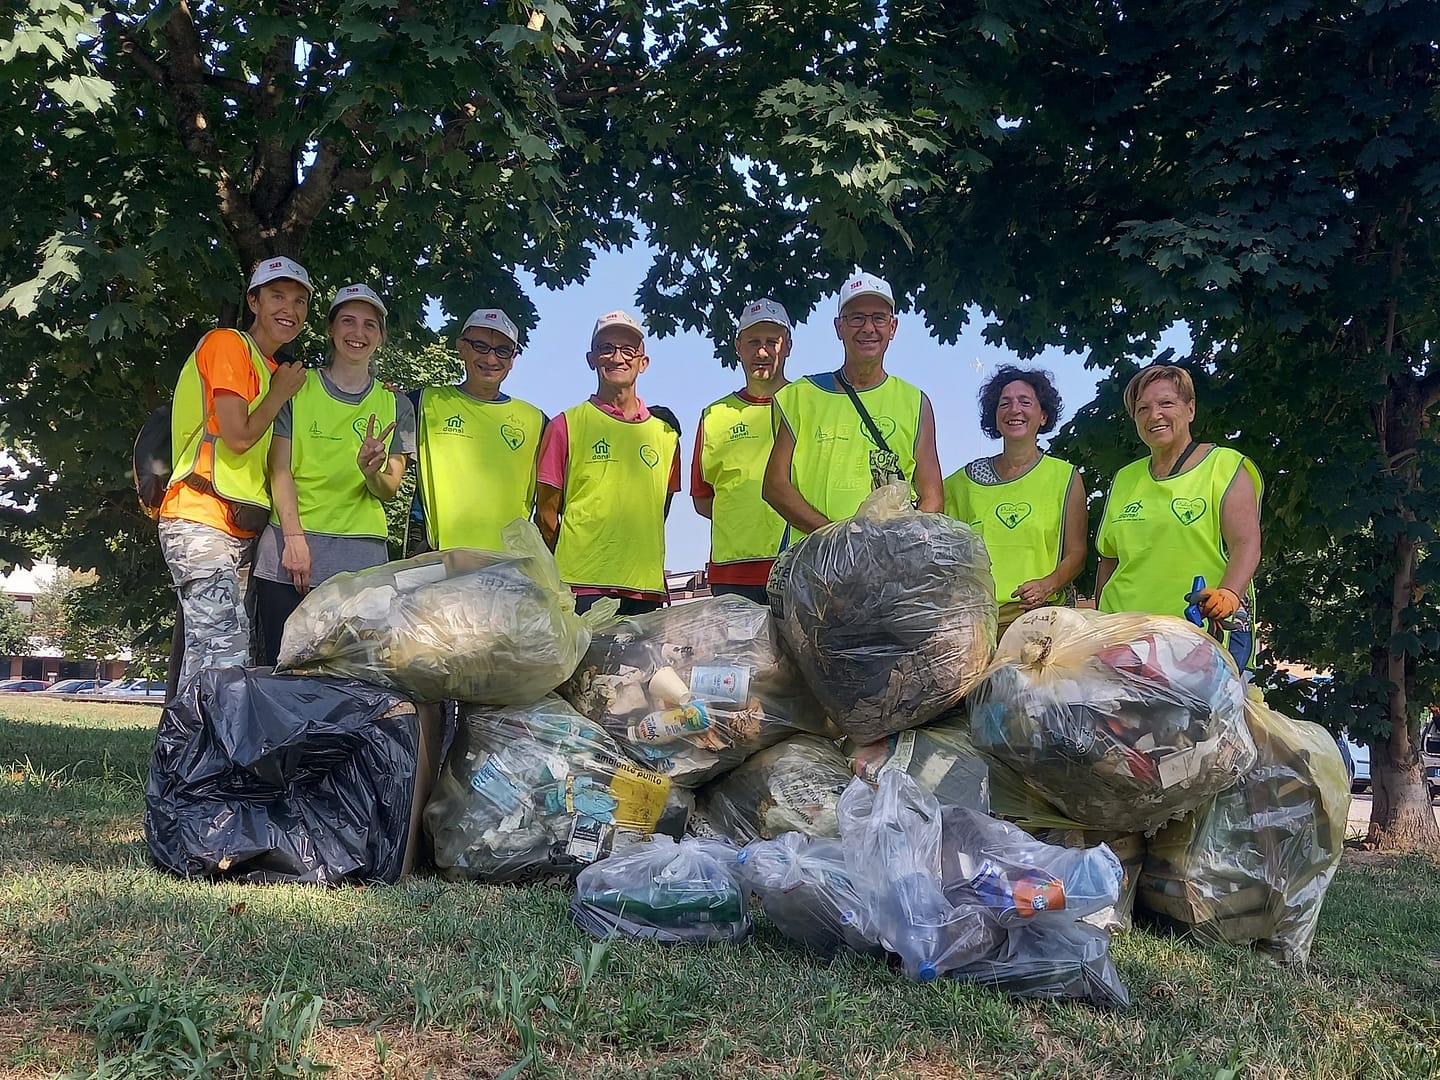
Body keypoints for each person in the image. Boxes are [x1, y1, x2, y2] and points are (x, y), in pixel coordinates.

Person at [158, 256, 311, 691]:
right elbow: (238, 436)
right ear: (254, 301)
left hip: (239, 531)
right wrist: (280, 393)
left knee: (212, 656)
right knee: (222, 653)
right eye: (278, 296)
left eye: (300, 301)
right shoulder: (228, 344)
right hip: (199, 518)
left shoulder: (269, 368)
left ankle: (188, 756)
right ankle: (199, 758)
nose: (290, 309)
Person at [253, 284, 415, 664]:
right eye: (348, 321)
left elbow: (389, 489)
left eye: (369, 325)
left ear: (381, 337)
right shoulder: (296, 385)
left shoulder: (397, 404)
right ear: (330, 328)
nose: (358, 333)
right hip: (290, 553)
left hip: (362, 560)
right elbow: (279, 468)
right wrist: (293, 540)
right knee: (283, 675)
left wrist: (371, 471)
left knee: (353, 682)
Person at [1095, 363, 1263, 669]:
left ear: (1190, 409)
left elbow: (1246, 544)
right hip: (1124, 641)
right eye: (1142, 408)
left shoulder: (1223, 466)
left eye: (1166, 403)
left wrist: (1229, 594)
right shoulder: (1125, 478)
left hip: (1197, 638)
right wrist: (1097, 625)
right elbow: (1109, 559)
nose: (1154, 415)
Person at [763, 271, 942, 542]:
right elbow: (775, 486)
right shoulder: (800, 396)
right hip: (814, 562)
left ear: (892, 327)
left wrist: (896, 548)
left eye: (879, 318)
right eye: (856, 317)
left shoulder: (915, 402)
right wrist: (838, 538)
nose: (868, 328)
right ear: (839, 328)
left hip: (887, 570)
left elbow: (932, 498)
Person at [535, 310, 681, 615]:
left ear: (644, 362)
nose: (617, 358)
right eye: (606, 348)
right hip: (581, 586)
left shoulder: (666, 434)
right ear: (591, 359)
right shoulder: (565, 425)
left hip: (644, 588)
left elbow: (659, 510)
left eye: (628, 350)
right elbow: (546, 515)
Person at [943, 366, 1087, 634]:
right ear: (995, 417)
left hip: (1038, 620)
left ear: (1043, 416)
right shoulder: (962, 483)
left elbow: (1077, 553)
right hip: (974, 624)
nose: (1014, 410)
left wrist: (1048, 584)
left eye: (1025, 401)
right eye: (1004, 403)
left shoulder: (1065, 477)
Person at [410, 307, 546, 553]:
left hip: (507, 563)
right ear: (462, 347)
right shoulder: (423, 402)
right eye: (480, 346)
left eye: (502, 351)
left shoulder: (537, 421)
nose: (491, 359)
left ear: (513, 359)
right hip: (434, 555)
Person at [692, 298, 793, 604]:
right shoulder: (715, 415)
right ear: (738, 346)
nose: (762, 352)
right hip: (732, 575)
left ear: (787, 346)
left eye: (772, 342)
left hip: (797, 566)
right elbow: (702, 500)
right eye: (753, 342)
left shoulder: (808, 405)